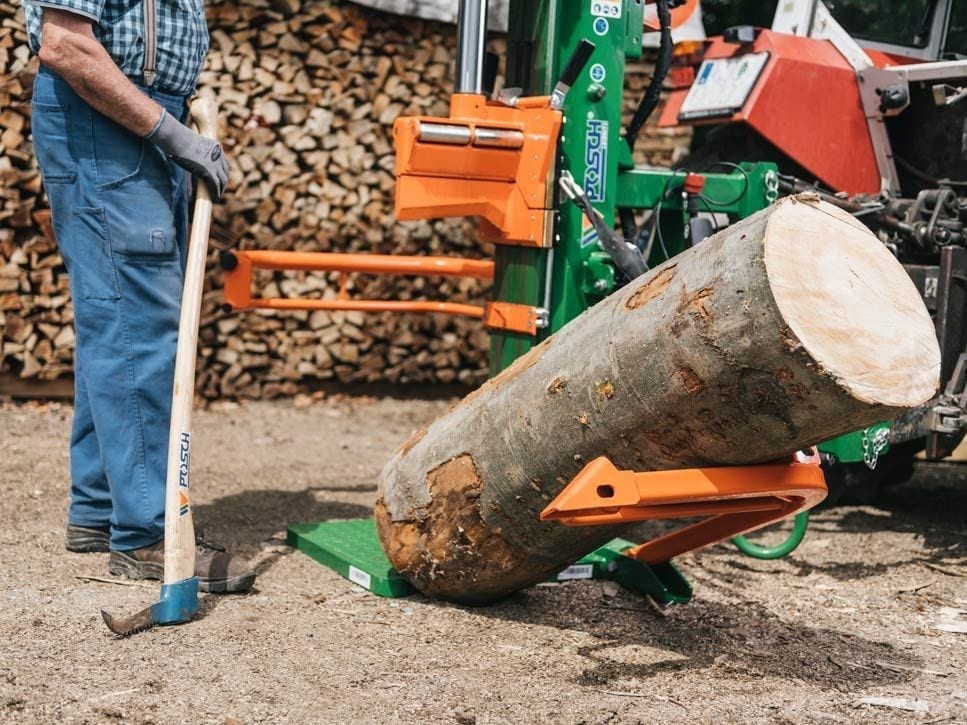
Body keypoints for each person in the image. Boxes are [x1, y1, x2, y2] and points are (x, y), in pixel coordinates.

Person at [23, 0, 255, 593]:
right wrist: (167, 129)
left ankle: (100, 509)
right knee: (142, 326)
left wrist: (172, 119)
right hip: (108, 118)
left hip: (138, 116)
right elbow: (64, 43)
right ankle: (150, 535)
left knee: (116, 316)